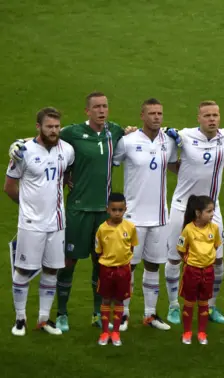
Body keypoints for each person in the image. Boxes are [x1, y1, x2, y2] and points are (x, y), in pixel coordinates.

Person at [7, 93, 136, 331]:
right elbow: (45, 136)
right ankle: (61, 313)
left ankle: (98, 312)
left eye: (105, 106)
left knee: (103, 263)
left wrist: (131, 130)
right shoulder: (72, 133)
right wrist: (18, 142)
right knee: (67, 263)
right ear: (87, 111)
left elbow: (61, 156)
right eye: (96, 107)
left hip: (104, 212)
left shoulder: (114, 131)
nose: (101, 110)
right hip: (76, 210)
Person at [5, 107, 74, 336]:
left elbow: (65, 175)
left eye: (56, 127)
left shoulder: (67, 150)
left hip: (57, 224)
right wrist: (27, 208)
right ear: (38, 127)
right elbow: (9, 186)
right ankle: (20, 319)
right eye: (49, 127)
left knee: (52, 270)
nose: (54, 131)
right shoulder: (22, 152)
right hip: (31, 224)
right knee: (23, 270)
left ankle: (43, 319)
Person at [165, 101, 224, 325]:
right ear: (198, 118)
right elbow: (168, 156)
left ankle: (211, 306)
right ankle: (174, 306)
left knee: (218, 260)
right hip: (182, 206)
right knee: (175, 258)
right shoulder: (184, 136)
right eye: (207, 115)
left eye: (215, 115)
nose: (212, 119)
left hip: (211, 208)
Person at [113, 98, 179, 330]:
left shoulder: (169, 141)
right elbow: (111, 164)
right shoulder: (128, 141)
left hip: (160, 217)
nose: (157, 117)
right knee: (128, 267)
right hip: (133, 218)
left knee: (154, 265)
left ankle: (150, 314)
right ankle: (124, 313)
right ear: (142, 116)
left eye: (160, 113)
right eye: (151, 113)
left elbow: (174, 166)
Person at [176, 195, 222, 345]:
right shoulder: (188, 229)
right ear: (198, 213)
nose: (212, 214)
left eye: (213, 210)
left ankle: (202, 333)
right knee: (189, 303)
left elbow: (215, 245)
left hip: (208, 271)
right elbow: (181, 249)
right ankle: (187, 332)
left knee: (204, 303)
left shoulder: (214, 228)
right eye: (209, 211)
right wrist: (190, 261)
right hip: (192, 271)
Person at [95, 192, 138, 346]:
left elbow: (131, 247)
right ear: (108, 210)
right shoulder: (102, 229)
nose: (117, 213)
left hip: (123, 270)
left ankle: (116, 333)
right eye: (114, 210)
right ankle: (105, 332)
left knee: (119, 300)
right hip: (106, 270)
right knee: (106, 299)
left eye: (120, 210)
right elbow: (98, 250)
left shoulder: (130, 227)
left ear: (125, 209)